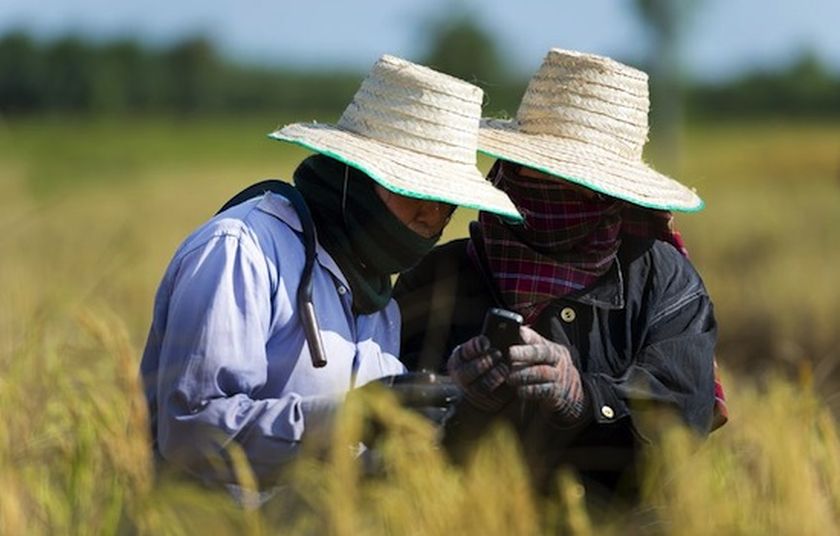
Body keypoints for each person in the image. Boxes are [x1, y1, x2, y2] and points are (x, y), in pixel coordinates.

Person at [140, 54, 521, 488]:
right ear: (352, 173)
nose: (433, 214)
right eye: (415, 188)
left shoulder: (377, 296)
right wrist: (350, 416)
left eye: (448, 199)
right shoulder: (242, 251)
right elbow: (191, 430)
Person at [394, 49, 727, 505]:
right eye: (533, 171)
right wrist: (460, 399)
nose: (544, 191)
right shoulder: (438, 277)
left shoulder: (663, 281)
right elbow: (392, 431)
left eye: (569, 181)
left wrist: (583, 396)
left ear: (609, 193)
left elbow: (679, 428)